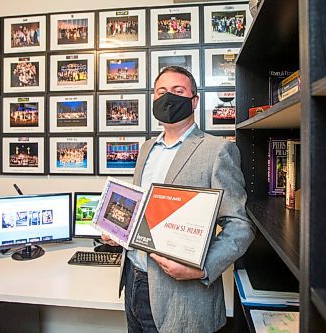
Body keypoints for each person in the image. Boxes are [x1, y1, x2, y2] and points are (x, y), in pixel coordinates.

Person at [102, 66, 255, 333]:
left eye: (178, 91)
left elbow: (240, 226)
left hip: (183, 298)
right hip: (134, 280)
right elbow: (144, 214)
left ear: (194, 100)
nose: (168, 97)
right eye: (162, 91)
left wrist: (203, 269)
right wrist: (119, 231)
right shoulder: (146, 149)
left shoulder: (218, 150)